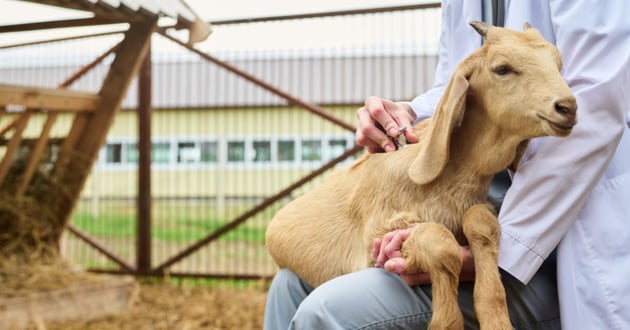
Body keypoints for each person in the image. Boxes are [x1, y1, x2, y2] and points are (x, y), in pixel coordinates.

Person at [264, 1, 630, 329]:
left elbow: (597, 102)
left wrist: (502, 253)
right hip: (478, 201)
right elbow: (456, 82)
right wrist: (407, 115)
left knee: (328, 311)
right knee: (290, 286)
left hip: (558, 244)